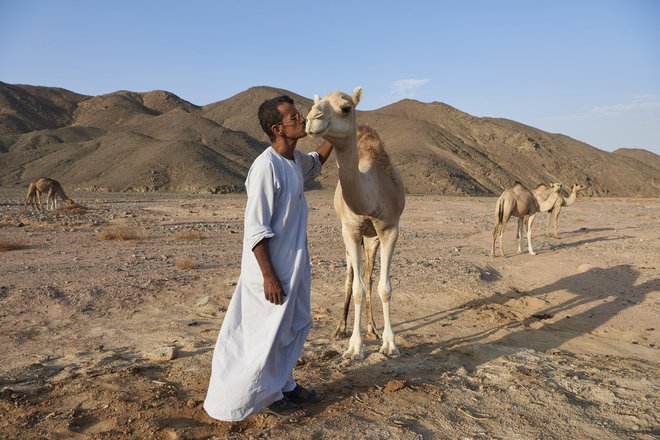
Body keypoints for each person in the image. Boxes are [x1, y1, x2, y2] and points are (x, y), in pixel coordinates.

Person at [203, 95, 333, 421]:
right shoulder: (265, 167)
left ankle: (284, 383)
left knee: (295, 325)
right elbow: (255, 229)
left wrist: (340, 132)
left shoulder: (294, 161)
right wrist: (269, 276)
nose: (301, 118)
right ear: (278, 128)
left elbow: (316, 161)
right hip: (270, 271)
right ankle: (268, 395)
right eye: (294, 116)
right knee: (265, 336)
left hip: (294, 265)